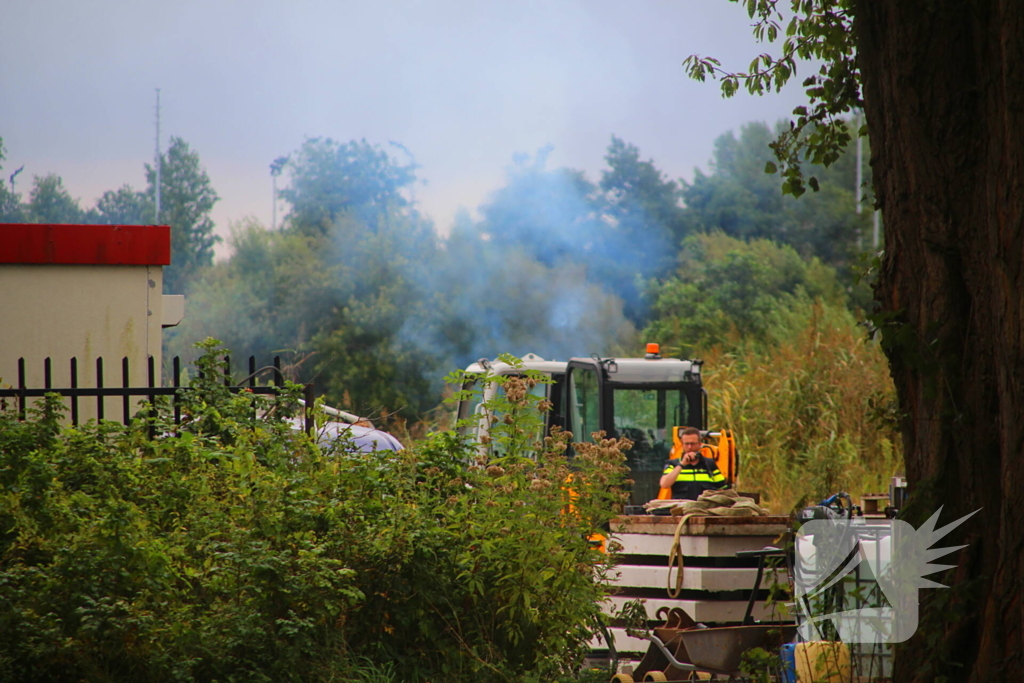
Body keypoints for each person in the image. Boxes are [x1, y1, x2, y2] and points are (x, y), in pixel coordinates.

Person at [659, 426, 727, 500]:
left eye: (693, 444)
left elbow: (723, 489)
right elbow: (664, 484)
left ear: (700, 444)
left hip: (704, 509)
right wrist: (681, 465)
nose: (689, 447)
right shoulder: (673, 464)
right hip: (682, 509)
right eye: (686, 444)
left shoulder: (709, 464)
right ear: (682, 445)